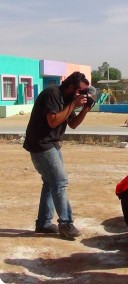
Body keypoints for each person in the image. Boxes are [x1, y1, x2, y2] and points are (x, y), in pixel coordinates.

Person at [23, 71, 94, 239]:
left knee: (50, 183)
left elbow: (73, 124)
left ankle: (44, 223)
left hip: (52, 144)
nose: (81, 94)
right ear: (70, 87)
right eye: (80, 91)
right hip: (41, 144)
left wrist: (86, 108)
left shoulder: (69, 99)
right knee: (60, 181)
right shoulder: (53, 93)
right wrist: (73, 105)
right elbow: (53, 120)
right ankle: (66, 224)